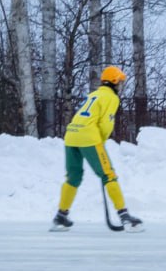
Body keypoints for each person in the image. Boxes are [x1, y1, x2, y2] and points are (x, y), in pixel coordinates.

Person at [51, 66, 144, 232]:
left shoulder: (94, 94)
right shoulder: (111, 98)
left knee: (73, 176)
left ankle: (61, 216)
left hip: (71, 136)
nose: (121, 86)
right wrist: (100, 141)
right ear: (114, 82)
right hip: (89, 138)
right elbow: (106, 124)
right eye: (120, 82)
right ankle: (125, 217)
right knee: (108, 175)